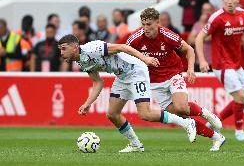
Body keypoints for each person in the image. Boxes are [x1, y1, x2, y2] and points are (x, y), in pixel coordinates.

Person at [58, 34, 197, 153]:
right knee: (112, 114)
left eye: (64, 48)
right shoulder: (81, 62)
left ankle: (187, 123)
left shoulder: (92, 48)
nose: (61, 53)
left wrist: (145, 58)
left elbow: (122, 47)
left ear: (75, 46)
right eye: (60, 49)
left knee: (145, 114)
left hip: (136, 71)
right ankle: (136, 145)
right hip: (122, 76)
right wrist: (88, 103)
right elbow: (98, 82)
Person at [126, 8, 225, 151]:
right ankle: (217, 137)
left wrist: (190, 69)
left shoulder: (167, 34)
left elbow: (189, 50)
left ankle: (206, 113)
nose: (146, 28)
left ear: (157, 23)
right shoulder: (135, 38)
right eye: (143, 24)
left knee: (181, 107)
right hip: (154, 83)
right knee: (181, 117)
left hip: (173, 74)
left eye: (149, 24)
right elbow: (125, 51)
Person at [195, 0, 244, 141]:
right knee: (240, 97)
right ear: (223, 0)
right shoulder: (216, 18)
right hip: (222, 64)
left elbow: (243, 34)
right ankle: (239, 132)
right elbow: (199, 37)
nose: (230, 2)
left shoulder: (242, 14)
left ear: (238, 0)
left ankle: (214, 121)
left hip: (236, 63)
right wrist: (203, 60)